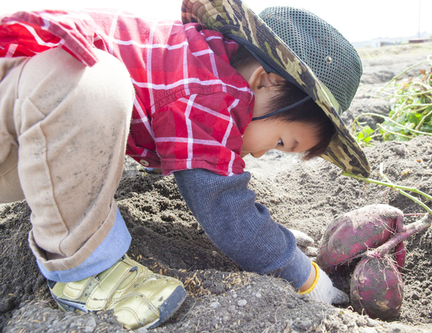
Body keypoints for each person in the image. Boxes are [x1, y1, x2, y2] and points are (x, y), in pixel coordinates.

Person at [0, 0, 370, 329]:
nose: (259, 155)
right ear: (264, 82)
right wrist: (302, 274)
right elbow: (227, 212)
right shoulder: (210, 91)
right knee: (91, 80)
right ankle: (86, 269)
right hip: (17, 117)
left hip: (26, 139)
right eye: (279, 143)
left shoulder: (197, 58)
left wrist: (276, 235)